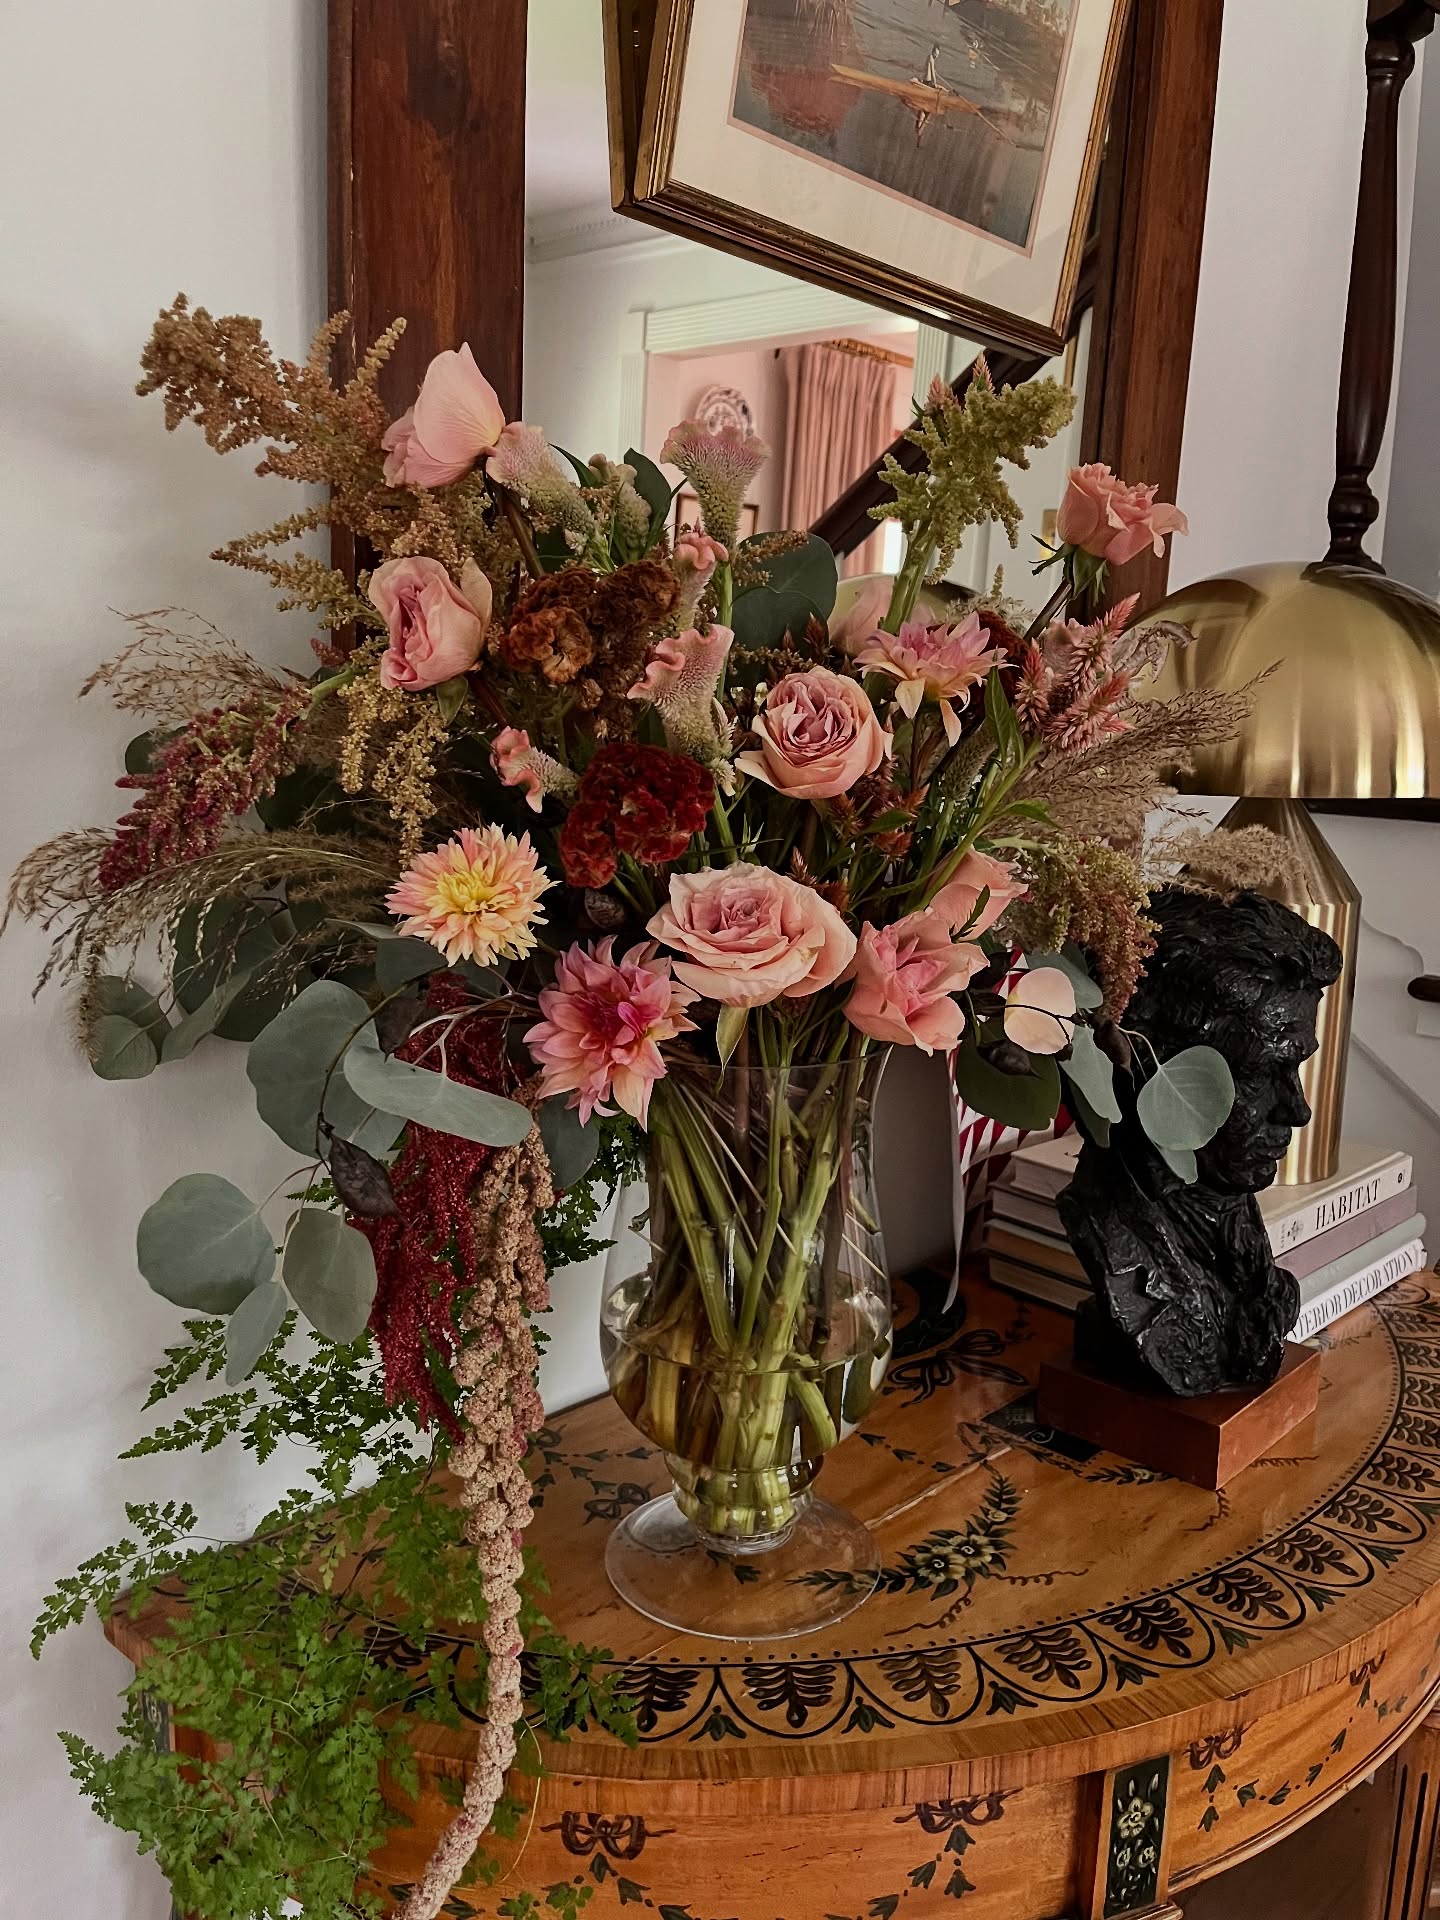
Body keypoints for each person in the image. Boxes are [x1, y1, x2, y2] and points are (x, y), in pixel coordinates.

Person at [1058, 889, 1342, 1396]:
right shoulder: (1105, 1213)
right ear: (1149, 1062)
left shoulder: (1230, 1207)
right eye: (1259, 1074)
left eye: (1294, 1068)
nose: (1297, 1110)